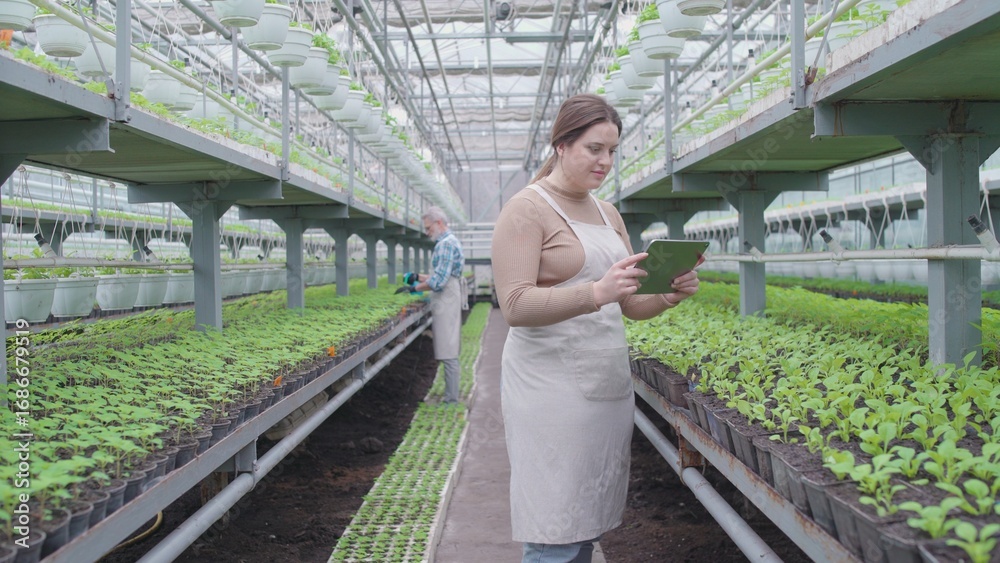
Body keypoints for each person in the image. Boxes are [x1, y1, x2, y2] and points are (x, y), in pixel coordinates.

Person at [490, 93, 700, 562]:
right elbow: (515, 305)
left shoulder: (608, 214)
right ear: (562, 145)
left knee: (583, 525)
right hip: (549, 389)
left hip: (604, 383)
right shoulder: (526, 209)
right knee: (553, 527)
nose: (605, 161)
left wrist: (667, 294)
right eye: (594, 148)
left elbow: (628, 305)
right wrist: (595, 292)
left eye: (611, 150)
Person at [403, 207, 466, 403]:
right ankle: (450, 395)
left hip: (446, 297)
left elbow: (438, 281)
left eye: (428, 228)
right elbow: (440, 274)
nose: (427, 232)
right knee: (448, 344)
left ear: (439, 223)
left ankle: (451, 399)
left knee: (448, 347)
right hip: (448, 295)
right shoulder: (449, 241)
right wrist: (417, 277)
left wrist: (414, 288)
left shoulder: (445, 244)